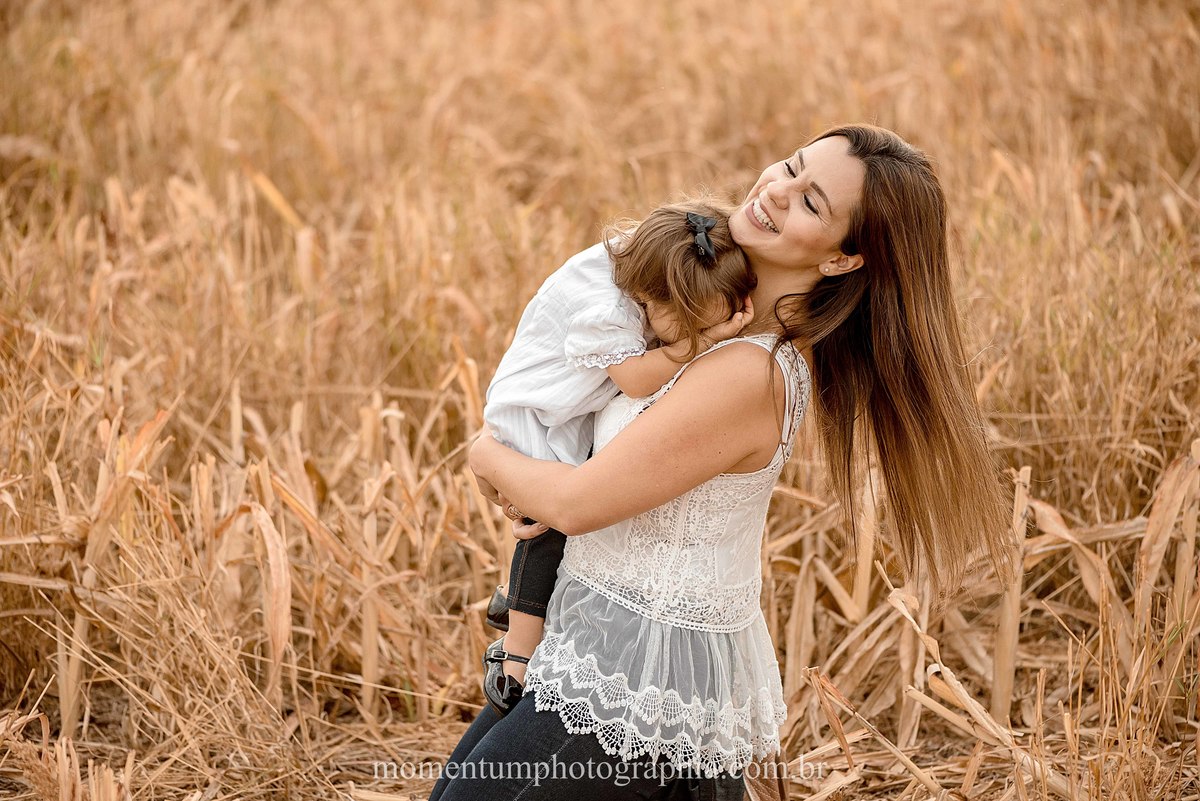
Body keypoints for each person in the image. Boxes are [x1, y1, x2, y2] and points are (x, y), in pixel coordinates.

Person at [429, 124, 1013, 801]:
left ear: (842, 261)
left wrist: (483, 450)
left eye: (811, 203)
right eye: (791, 167)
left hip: (638, 687)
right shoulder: (701, 321)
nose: (776, 190)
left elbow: (574, 502)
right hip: (594, 650)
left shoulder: (750, 371)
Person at [476, 200, 757, 717]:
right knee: (545, 525)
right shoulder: (607, 310)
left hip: (570, 403)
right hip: (538, 410)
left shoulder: (669, 259)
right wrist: (699, 345)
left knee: (572, 502)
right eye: (690, 324)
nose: (693, 336)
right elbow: (635, 379)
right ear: (653, 300)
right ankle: (517, 648)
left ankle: (514, 598)